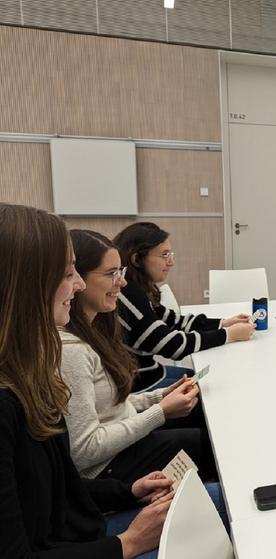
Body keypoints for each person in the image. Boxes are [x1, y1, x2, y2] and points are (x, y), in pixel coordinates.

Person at [0, 203, 173, 558]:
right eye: (67, 275)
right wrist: (129, 543)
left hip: (85, 528)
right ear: (25, 288)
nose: (78, 285)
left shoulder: (28, 376)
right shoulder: (10, 399)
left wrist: (128, 492)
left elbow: (58, 486)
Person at [60, 230, 218, 483]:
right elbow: (85, 451)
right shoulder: (72, 351)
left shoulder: (96, 330)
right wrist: (160, 411)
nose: (121, 283)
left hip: (122, 445)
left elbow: (111, 408)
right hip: (109, 467)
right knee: (217, 443)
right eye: (111, 274)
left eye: (120, 273)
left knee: (211, 422)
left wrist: (158, 398)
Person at [112, 222, 254, 392]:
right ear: (137, 259)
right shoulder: (128, 291)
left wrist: (223, 323)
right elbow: (173, 346)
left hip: (150, 373)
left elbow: (172, 320)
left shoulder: (136, 288)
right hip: (139, 386)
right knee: (215, 388)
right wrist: (228, 334)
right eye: (164, 255)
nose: (171, 262)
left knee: (207, 380)